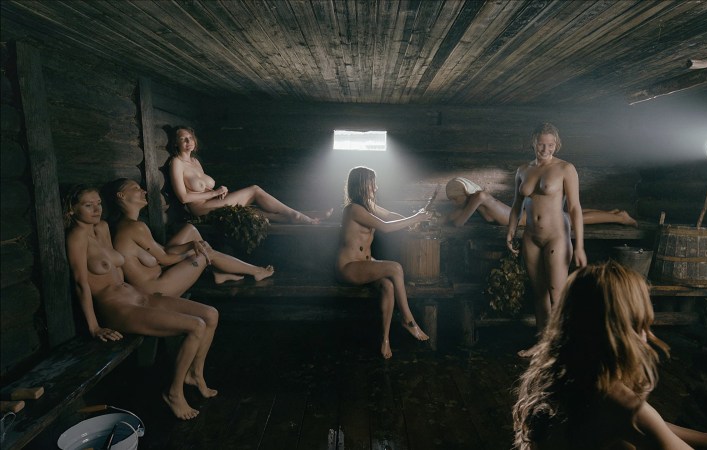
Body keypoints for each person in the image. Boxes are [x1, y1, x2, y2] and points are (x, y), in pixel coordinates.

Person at [512, 260, 707, 450]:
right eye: (641, 325)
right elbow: (638, 419)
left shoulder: (556, 377)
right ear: (618, 332)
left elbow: (649, 424)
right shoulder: (621, 405)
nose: (647, 336)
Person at [64, 184, 219, 420]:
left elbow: (123, 265)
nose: (96, 209)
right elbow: (80, 284)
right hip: (117, 309)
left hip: (136, 296)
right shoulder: (76, 238)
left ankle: (194, 374)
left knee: (210, 314)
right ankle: (174, 393)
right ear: (72, 209)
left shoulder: (102, 228)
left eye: (98, 203)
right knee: (196, 325)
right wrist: (94, 327)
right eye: (88, 205)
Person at [103, 178, 274, 297]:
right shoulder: (134, 227)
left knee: (190, 229)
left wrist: (193, 245)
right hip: (158, 288)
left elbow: (163, 252)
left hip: (160, 274)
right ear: (121, 196)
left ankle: (217, 272)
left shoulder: (131, 224)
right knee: (206, 252)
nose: (144, 190)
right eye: (135, 188)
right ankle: (256, 271)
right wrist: (193, 248)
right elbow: (165, 259)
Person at [506, 123, 587, 357]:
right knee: (539, 292)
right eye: (541, 144)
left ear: (556, 144)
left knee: (557, 293)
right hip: (531, 236)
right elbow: (516, 204)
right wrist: (510, 231)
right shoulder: (523, 170)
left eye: (550, 145)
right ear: (533, 142)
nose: (545, 149)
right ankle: (542, 344)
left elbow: (575, 208)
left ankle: (562, 345)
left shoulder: (565, 168)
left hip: (556, 236)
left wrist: (579, 245)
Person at [335, 166, 433, 359]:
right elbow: (386, 227)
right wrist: (415, 218)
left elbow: (389, 216)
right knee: (395, 268)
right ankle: (408, 319)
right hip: (348, 268)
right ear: (361, 185)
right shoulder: (353, 209)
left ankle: (385, 340)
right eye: (372, 184)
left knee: (388, 286)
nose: (376, 188)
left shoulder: (368, 206)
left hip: (364, 265)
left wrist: (413, 220)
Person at [168, 126, 332, 222]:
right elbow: (184, 198)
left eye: (190, 137)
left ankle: (310, 215)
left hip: (213, 202)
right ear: (176, 143)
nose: (188, 142)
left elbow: (203, 189)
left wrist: (219, 192)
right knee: (255, 190)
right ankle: (296, 215)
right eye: (183, 139)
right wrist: (215, 193)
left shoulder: (195, 162)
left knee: (257, 213)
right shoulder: (176, 163)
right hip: (201, 210)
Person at [444, 176, 638, 228]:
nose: (453, 202)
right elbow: (457, 215)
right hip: (527, 216)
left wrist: (446, 218)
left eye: (454, 198)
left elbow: (459, 222)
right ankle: (613, 213)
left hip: (530, 219)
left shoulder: (479, 197)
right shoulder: (477, 200)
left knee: (571, 221)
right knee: (567, 216)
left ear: (462, 192)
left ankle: (620, 218)